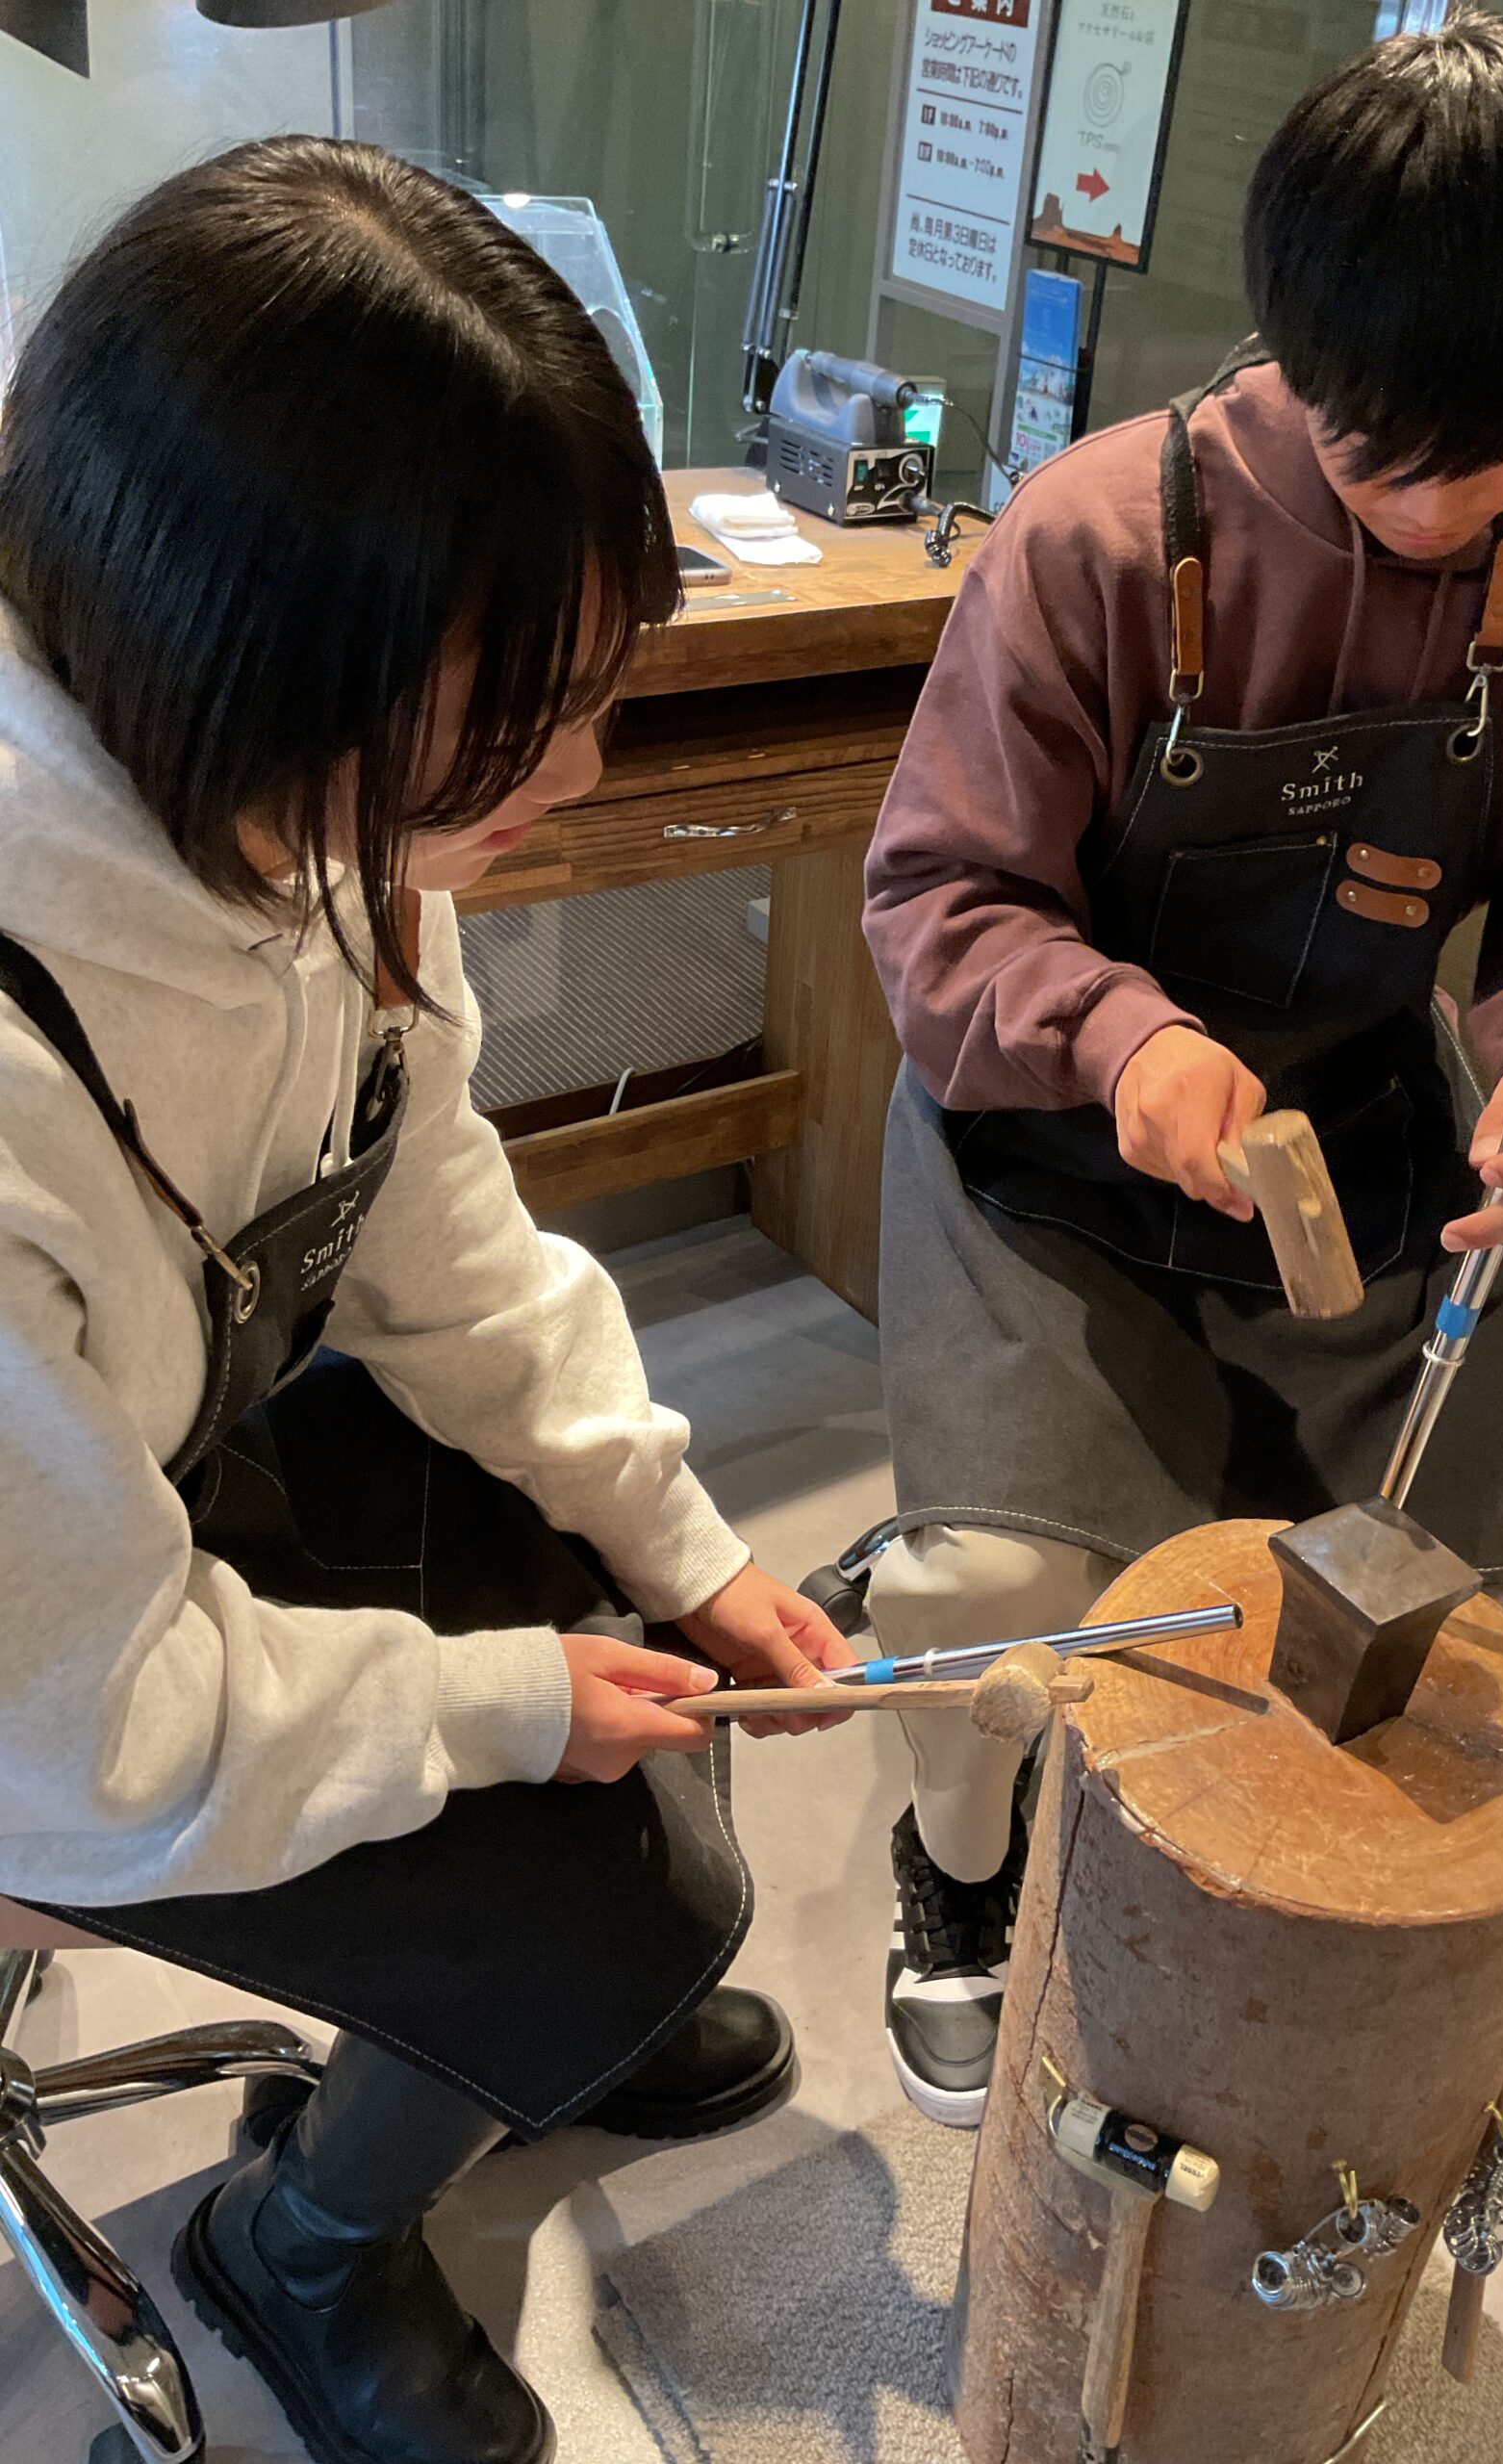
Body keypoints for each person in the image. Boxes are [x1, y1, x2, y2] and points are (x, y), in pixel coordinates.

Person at [0, 140, 857, 2464]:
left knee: (622, 1645)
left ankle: (525, 2015)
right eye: (519, 712)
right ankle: (300, 2239)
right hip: (34, 1693)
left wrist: (685, 1539)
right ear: (260, 656)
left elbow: (433, 1222)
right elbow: (87, 1726)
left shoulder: (303, 814)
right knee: (593, 1872)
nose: (577, 772)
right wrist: (490, 1706)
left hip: (136, 1479)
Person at [860, 12, 1503, 2129]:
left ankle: (1340, 1888)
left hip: (1358, 1138)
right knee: (991, 1588)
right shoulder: (1099, 533)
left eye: (1494, 452)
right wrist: (1125, 1034)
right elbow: (939, 898)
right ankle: (961, 1869)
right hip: (1047, 1136)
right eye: (1376, 452)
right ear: (1289, 342)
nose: (1433, 507)